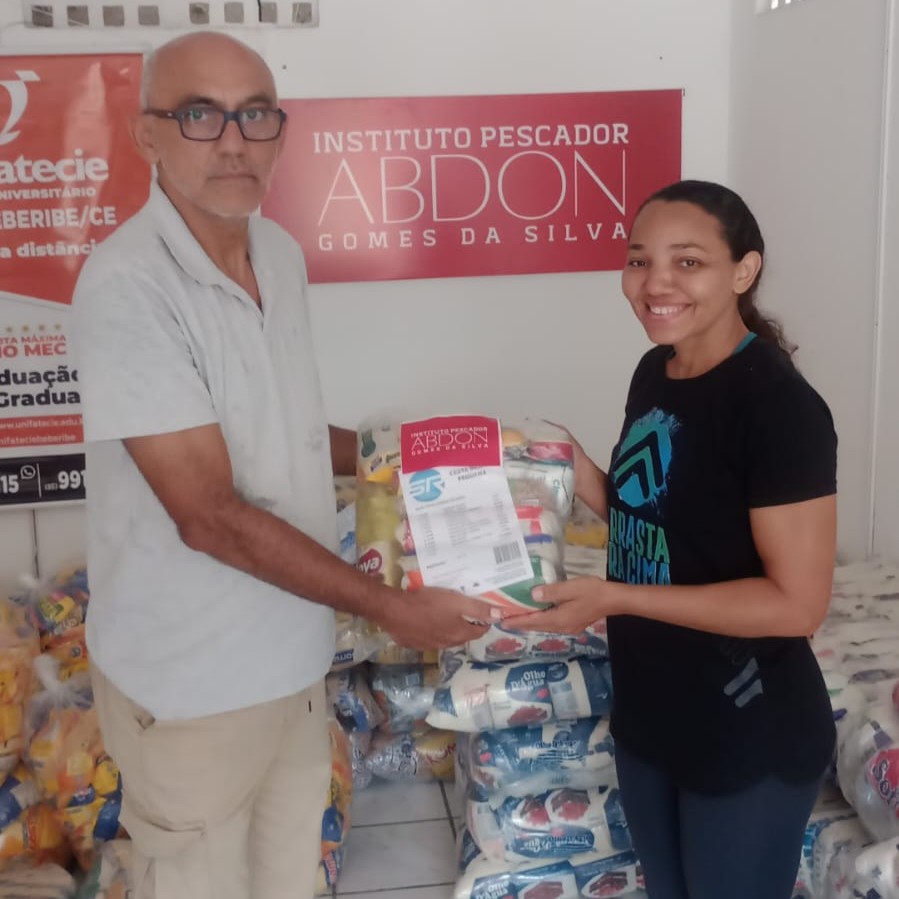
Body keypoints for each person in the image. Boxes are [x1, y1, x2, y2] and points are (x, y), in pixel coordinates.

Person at [70, 31, 492, 899]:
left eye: (255, 114)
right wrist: (388, 609)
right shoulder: (127, 287)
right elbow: (208, 512)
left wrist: (405, 456)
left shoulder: (281, 254)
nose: (233, 140)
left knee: (291, 879)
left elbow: (289, 428)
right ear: (146, 134)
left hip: (294, 664)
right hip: (190, 684)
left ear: (280, 131)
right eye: (201, 114)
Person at [512, 180, 837, 899]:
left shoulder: (778, 407)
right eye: (638, 260)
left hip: (745, 723)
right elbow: (649, 515)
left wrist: (611, 597)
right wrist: (570, 465)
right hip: (651, 706)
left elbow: (796, 605)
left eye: (686, 262)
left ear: (742, 272)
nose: (653, 282)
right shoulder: (656, 370)